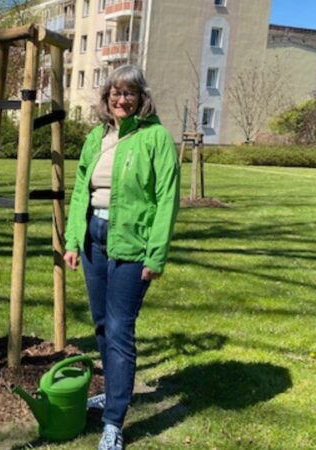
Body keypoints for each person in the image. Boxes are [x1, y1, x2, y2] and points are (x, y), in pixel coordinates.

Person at [63, 65, 180, 450]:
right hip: (93, 239)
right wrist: (72, 239)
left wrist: (156, 255)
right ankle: (114, 392)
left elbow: (167, 199)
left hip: (132, 244)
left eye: (128, 92)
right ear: (105, 99)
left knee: (119, 329)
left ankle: (113, 421)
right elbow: (81, 188)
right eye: (114, 93)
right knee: (100, 324)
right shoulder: (97, 136)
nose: (121, 99)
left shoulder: (156, 138)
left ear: (141, 97)